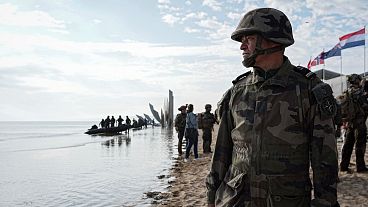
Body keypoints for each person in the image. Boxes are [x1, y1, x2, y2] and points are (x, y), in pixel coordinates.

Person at [206, 8, 339, 207]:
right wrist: (211, 198)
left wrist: (324, 202)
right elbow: (221, 155)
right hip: (235, 200)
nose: (242, 46)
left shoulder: (307, 91)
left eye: (248, 38)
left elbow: (325, 160)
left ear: (273, 40)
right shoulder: (236, 92)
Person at [339, 74, 368, 173]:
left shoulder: (346, 92)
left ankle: (343, 166)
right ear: (357, 81)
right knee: (360, 145)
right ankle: (360, 167)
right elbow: (365, 107)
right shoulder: (360, 93)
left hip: (349, 123)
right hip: (359, 124)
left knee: (347, 145)